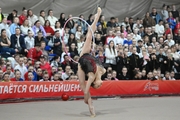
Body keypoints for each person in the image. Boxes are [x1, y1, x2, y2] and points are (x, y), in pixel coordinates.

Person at [77, 7, 106, 117]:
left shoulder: (91, 77)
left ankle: (91, 107)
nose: (100, 85)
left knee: (82, 85)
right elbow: (96, 61)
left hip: (82, 61)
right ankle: (97, 17)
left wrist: (86, 97)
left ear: (95, 83)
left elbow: (86, 90)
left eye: (98, 86)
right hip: (88, 57)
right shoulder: (103, 71)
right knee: (89, 37)